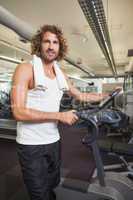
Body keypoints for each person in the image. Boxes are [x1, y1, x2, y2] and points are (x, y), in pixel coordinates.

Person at [11, 24, 105, 200]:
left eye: (55, 42)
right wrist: (60, 116)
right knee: (38, 193)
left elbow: (81, 95)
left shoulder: (60, 73)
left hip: (53, 141)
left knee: (51, 184)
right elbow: (18, 112)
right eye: (47, 41)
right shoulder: (25, 69)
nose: (51, 46)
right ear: (39, 44)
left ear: (60, 47)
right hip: (31, 145)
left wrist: (107, 94)